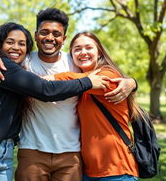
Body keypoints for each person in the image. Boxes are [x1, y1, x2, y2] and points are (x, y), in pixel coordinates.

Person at [0, 8, 137, 181]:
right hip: (32, 151)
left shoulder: (74, 62)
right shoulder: (23, 61)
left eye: (56, 34)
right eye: (44, 32)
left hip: (71, 153)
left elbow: (100, 77)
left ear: (64, 39)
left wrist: (131, 82)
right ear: (35, 36)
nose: (50, 38)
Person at [0, 22, 108, 181]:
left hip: (3, 154)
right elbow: (45, 90)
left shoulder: (18, 71)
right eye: (10, 42)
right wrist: (88, 82)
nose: (16, 47)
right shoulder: (0, 65)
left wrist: (130, 83)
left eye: (22, 44)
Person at [54, 31, 142, 180]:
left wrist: (43, 80)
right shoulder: (80, 89)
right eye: (77, 49)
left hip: (117, 170)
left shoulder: (109, 75)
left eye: (88, 47)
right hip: (88, 172)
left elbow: (74, 78)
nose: (83, 52)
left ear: (99, 52)